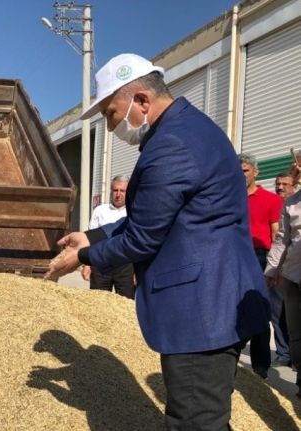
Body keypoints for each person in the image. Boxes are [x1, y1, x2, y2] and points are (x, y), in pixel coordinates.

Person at [45, 53, 269, 429]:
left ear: (142, 100)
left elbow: (142, 238)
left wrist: (83, 255)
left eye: (112, 114)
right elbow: (160, 216)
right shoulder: (190, 128)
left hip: (202, 312)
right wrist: (93, 233)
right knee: (207, 418)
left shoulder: (171, 145)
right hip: (215, 303)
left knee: (194, 422)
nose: (112, 126)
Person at [240, 153, 282, 379]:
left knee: (260, 311)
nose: (241, 174)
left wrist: (276, 267)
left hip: (259, 257)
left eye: (245, 170)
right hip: (234, 257)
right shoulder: (230, 197)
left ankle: (260, 366)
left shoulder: (271, 200)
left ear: (256, 172)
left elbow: (277, 233)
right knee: (232, 309)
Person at [266, 161, 301, 397]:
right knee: (296, 334)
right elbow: (281, 240)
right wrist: (271, 271)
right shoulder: (291, 204)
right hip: (293, 277)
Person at [80, 175, 134, 299]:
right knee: (98, 303)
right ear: (111, 191)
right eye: (115, 190)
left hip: (126, 266)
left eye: (122, 191)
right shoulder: (100, 211)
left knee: (126, 305)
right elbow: (90, 239)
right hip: (101, 264)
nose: (118, 194)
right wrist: (87, 265)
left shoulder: (134, 212)